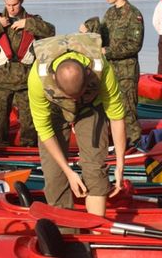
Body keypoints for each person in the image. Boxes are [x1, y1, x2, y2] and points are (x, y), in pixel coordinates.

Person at [27, 33, 127, 216]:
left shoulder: (101, 68)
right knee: (55, 176)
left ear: (88, 76)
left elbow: (116, 115)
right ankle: (67, 234)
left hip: (90, 106)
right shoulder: (38, 78)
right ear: (55, 82)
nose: (73, 101)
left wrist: (121, 164)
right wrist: (69, 172)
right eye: (69, 97)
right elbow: (44, 129)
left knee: (95, 170)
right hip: (55, 110)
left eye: (77, 95)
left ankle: (95, 236)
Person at [0, 0, 55, 147]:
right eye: (8, 4)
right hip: (2, 79)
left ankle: (28, 147)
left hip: (27, 79)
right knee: (0, 119)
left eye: (15, 5)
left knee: (29, 120)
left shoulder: (32, 20)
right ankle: (0, 147)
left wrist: (29, 24)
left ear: (21, 1)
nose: (11, 8)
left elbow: (51, 32)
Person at [79, 0, 144, 145]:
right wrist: (88, 29)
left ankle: (135, 145)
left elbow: (134, 45)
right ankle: (115, 143)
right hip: (109, 71)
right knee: (108, 108)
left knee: (128, 111)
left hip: (126, 73)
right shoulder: (110, 13)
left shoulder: (134, 15)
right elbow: (102, 36)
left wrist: (106, 51)